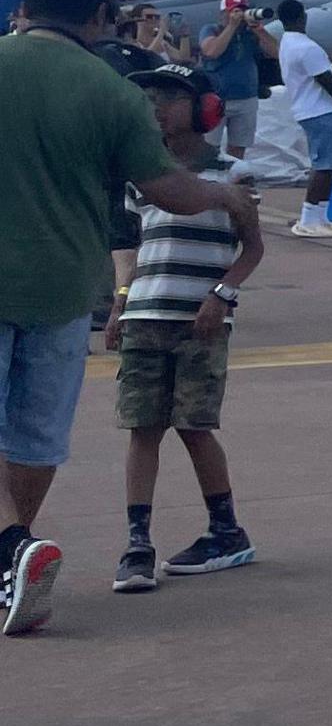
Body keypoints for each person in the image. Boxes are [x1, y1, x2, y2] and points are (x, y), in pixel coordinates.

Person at [2, 0, 260, 635]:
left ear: (24, 7)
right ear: (99, 19)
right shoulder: (113, 91)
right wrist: (224, 195)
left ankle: (10, 552)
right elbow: (165, 190)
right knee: (35, 435)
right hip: (63, 286)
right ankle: (13, 560)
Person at [110, 66, 266, 594]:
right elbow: (133, 246)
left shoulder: (234, 173)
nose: (156, 107)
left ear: (205, 109)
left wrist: (222, 295)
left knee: (195, 425)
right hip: (145, 314)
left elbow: (253, 248)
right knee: (142, 427)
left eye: (171, 98)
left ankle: (226, 530)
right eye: (149, 97)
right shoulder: (144, 175)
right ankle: (137, 543)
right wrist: (121, 300)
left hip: (200, 317)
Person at [272, 0, 332, 238]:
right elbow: (329, 83)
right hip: (319, 110)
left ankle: (321, 216)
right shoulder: (307, 47)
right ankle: (308, 217)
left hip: (316, 109)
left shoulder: (288, 42)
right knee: (324, 166)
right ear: (303, 17)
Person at [196, 0, 263, 158]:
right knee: (209, 146)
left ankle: (234, 177)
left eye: (243, 11)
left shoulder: (249, 34)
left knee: (239, 146)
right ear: (223, 13)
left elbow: (276, 52)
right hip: (217, 98)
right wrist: (231, 27)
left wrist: (259, 30)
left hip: (246, 97)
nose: (239, 15)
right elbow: (211, 51)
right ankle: (208, 179)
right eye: (235, 11)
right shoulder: (211, 29)